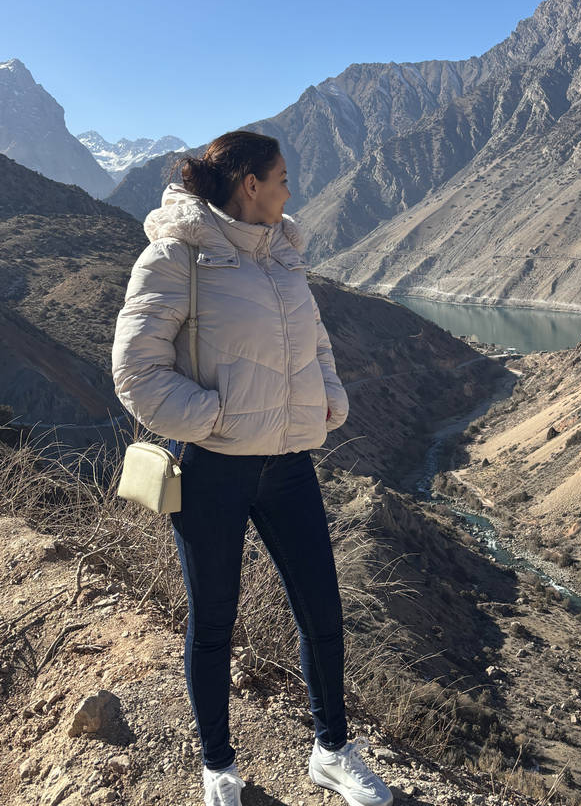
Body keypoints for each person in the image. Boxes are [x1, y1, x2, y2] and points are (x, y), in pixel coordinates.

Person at [112, 131, 392, 806]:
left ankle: (331, 751)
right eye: (283, 178)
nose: (291, 190)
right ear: (250, 184)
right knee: (213, 621)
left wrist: (329, 398)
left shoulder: (282, 256)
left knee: (322, 612)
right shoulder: (178, 254)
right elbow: (136, 372)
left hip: (289, 464)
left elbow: (316, 344)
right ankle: (218, 765)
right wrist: (216, 418)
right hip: (212, 467)